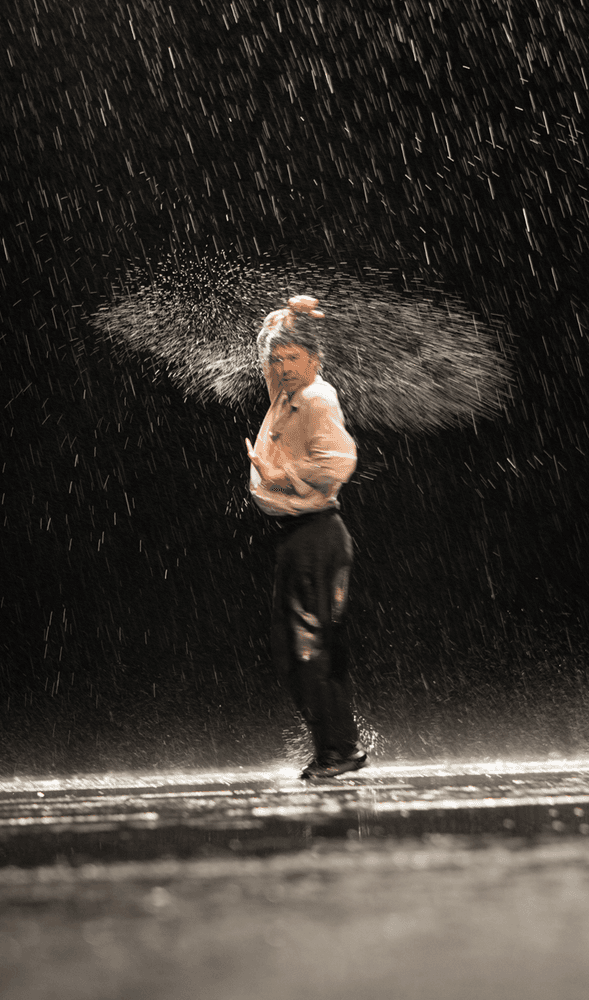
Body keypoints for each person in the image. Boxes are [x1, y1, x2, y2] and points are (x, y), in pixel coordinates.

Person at [245, 295, 367, 780]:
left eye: (292, 358)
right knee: (296, 650)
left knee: (307, 649)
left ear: (315, 360)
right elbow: (265, 345)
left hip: (317, 534)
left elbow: (340, 463)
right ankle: (334, 749)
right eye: (277, 360)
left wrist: (282, 475)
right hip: (301, 538)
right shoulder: (285, 392)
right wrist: (288, 318)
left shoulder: (317, 397)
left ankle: (339, 751)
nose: (280, 367)